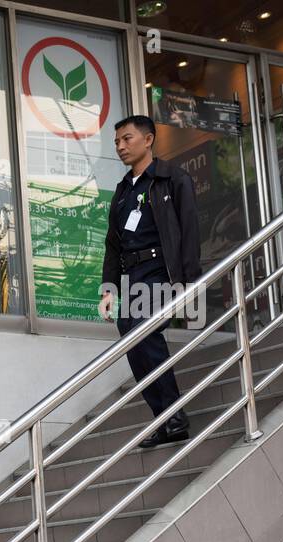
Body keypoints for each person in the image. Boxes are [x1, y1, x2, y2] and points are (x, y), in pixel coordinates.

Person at [101, 114, 201, 449]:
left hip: (161, 271)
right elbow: (113, 244)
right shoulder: (123, 190)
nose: (120, 147)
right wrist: (109, 289)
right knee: (131, 341)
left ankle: (174, 414)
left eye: (127, 139)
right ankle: (163, 418)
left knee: (146, 336)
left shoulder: (172, 178)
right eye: (116, 141)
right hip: (132, 276)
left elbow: (189, 231)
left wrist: (188, 281)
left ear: (148, 140)